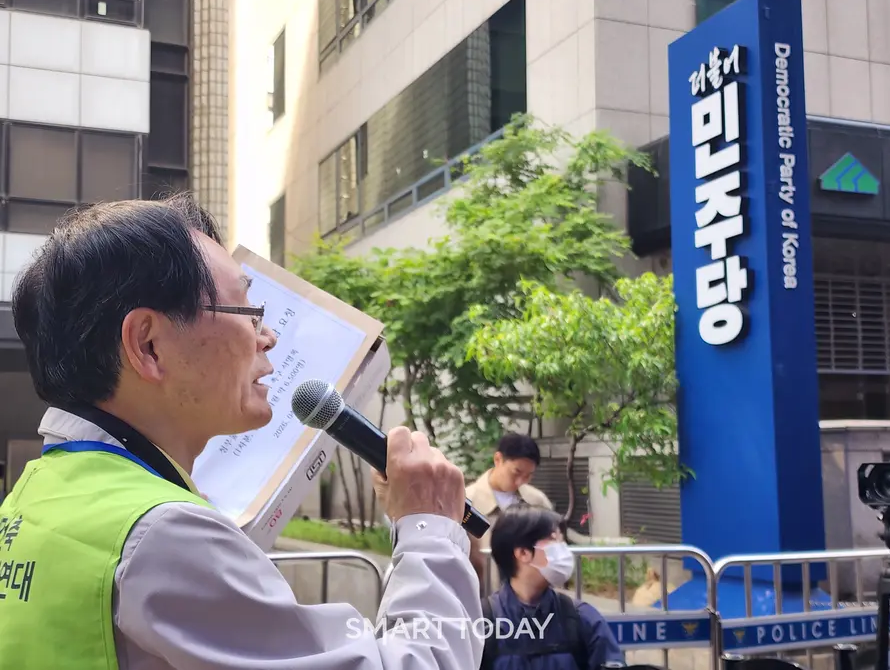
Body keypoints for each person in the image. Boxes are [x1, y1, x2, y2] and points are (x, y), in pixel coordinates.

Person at [0, 194, 483, 669]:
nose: (268, 336)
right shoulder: (164, 535)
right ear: (148, 344)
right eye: (248, 312)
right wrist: (430, 529)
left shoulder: (35, 495)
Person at [479, 504, 623, 670]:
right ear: (523, 553)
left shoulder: (581, 618)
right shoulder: (482, 622)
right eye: (554, 539)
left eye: (562, 540)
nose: (563, 550)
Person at [466, 433, 553, 591]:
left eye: (528, 476)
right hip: (483, 597)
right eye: (516, 472)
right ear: (498, 459)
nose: (520, 481)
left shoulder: (537, 501)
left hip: (530, 598)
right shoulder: (467, 502)